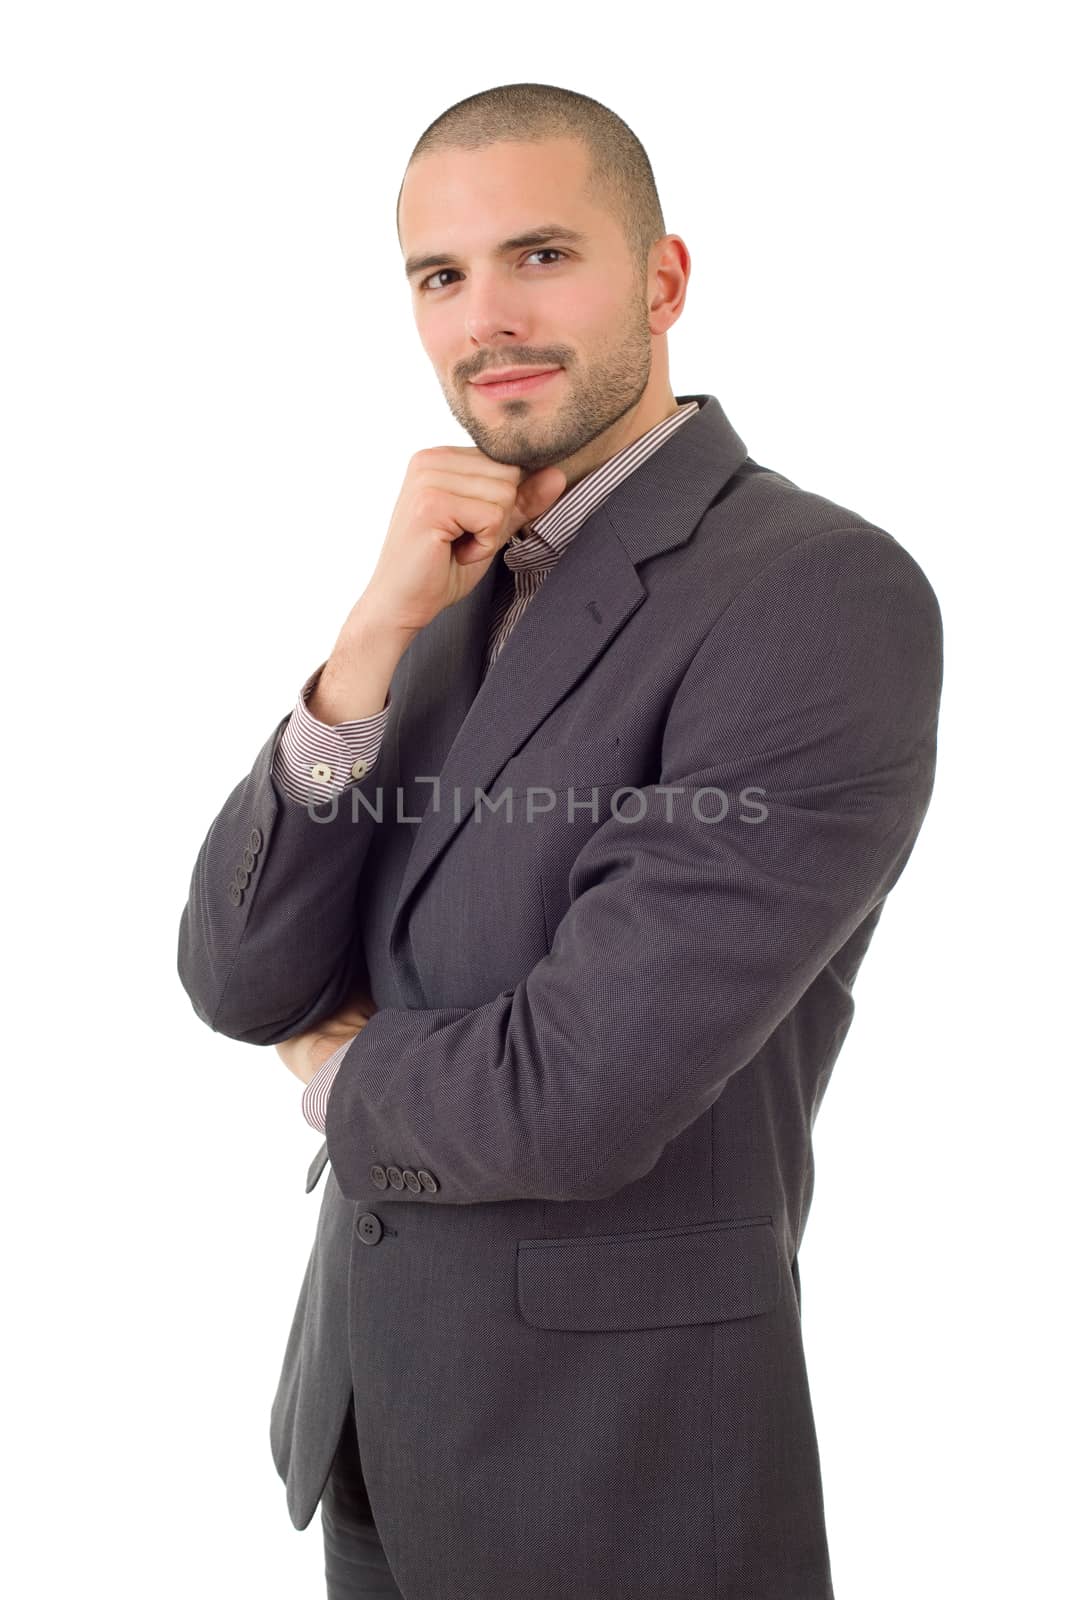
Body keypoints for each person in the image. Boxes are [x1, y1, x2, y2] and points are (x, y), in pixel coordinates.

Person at [177, 80, 943, 1600]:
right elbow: (240, 977)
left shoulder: (814, 593)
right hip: (379, 1425)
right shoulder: (447, 585)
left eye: (541, 256)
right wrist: (364, 646)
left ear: (662, 280)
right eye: (441, 277)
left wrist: (340, 1078)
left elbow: (579, 1093)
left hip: (621, 1471)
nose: (488, 319)